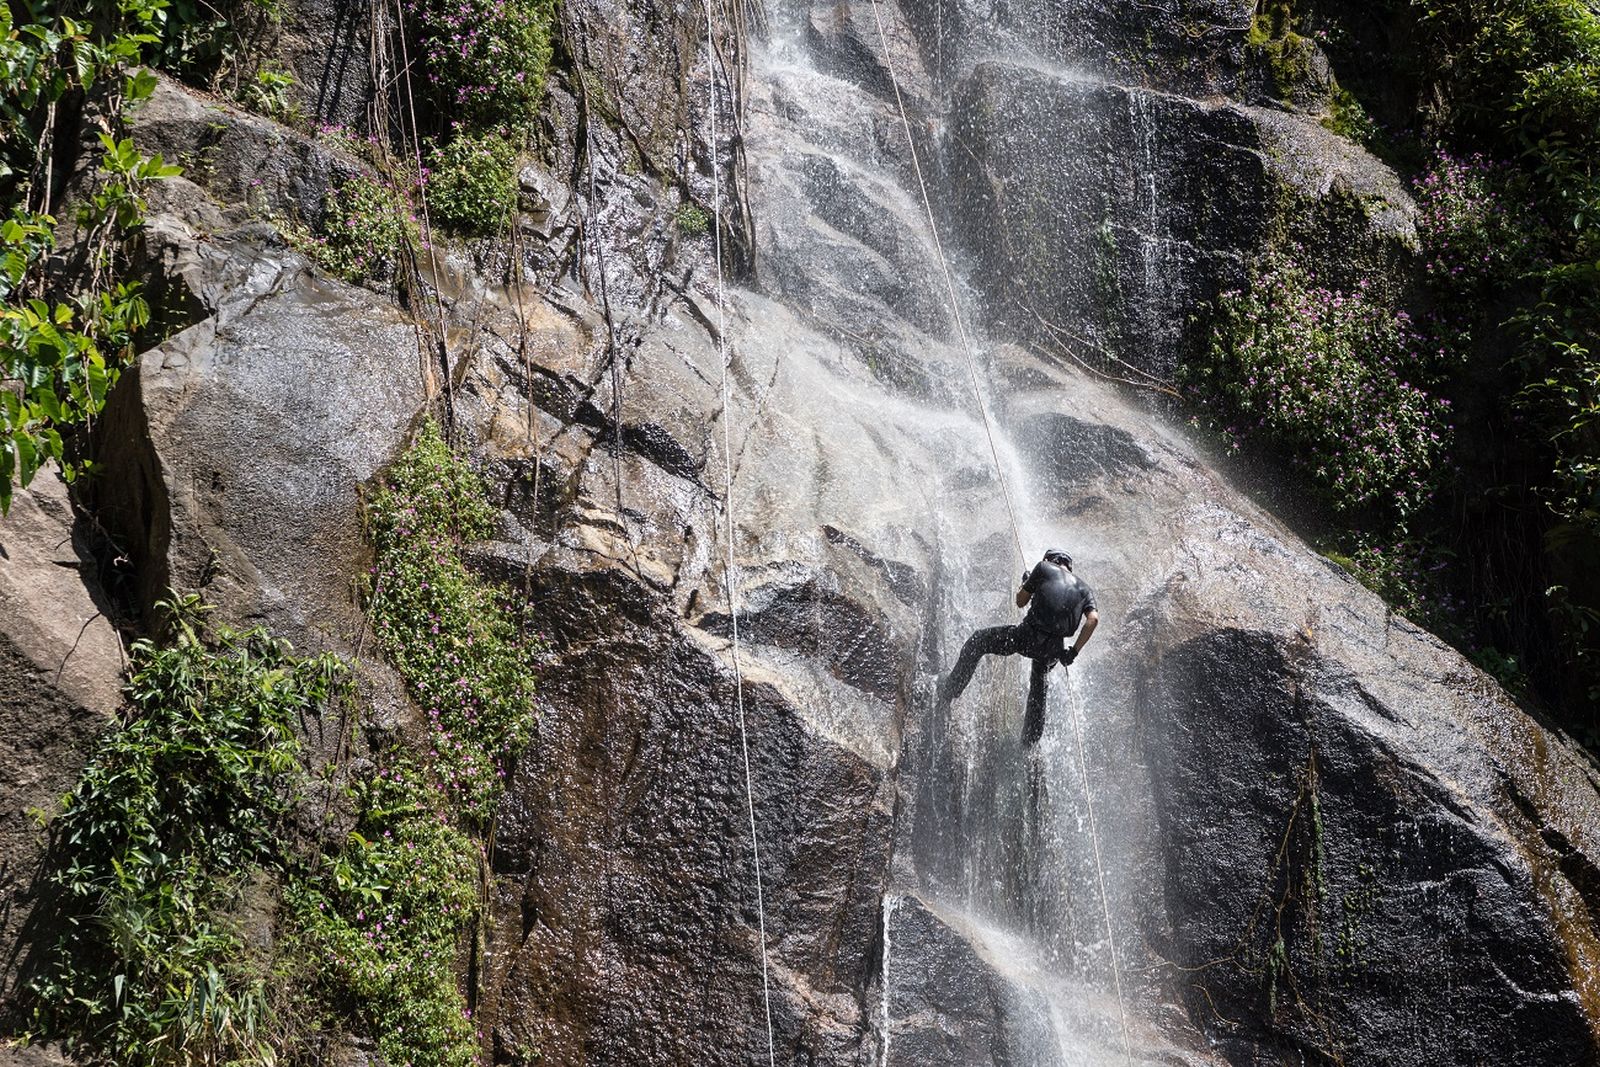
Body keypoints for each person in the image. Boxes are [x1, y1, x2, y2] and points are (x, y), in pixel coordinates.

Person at [938, 549, 1099, 745]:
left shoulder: (1043, 568)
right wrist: (1073, 652)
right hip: (1052, 650)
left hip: (1026, 637)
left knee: (978, 641)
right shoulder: (1085, 590)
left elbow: (1020, 601)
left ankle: (949, 690)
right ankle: (1029, 743)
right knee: (1039, 682)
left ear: (1049, 560)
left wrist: (1026, 583)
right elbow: (1093, 619)